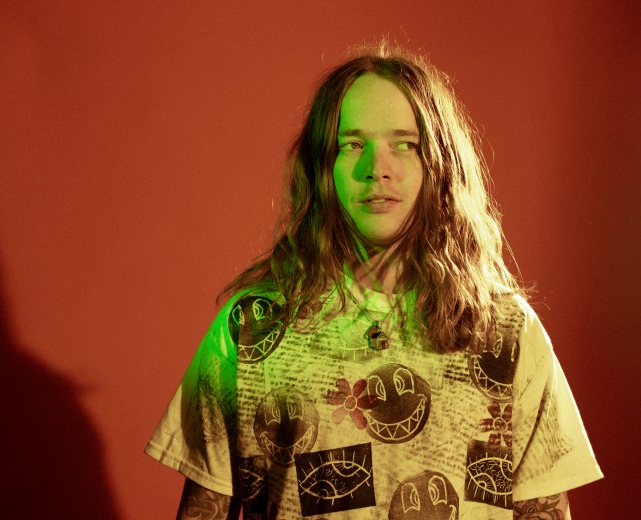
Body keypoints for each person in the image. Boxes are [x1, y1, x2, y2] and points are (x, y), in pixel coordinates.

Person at [145, 43, 602, 519]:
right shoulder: (252, 327)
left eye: (404, 144)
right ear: (323, 166)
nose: (377, 169)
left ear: (439, 166)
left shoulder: (506, 332)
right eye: (353, 144)